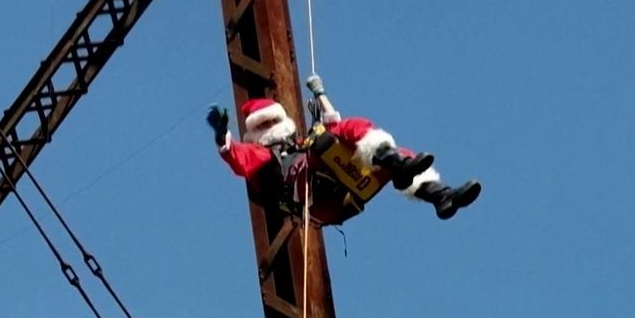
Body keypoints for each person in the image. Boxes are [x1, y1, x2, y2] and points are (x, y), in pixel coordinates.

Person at [206, 76, 480, 220]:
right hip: (314, 196)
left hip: (342, 190)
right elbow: (236, 156)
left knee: (389, 153)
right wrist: (222, 136)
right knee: (338, 133)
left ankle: (440, 195)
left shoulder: (296, 147)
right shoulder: (265, 155)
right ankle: (395, 164)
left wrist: (321, 94)